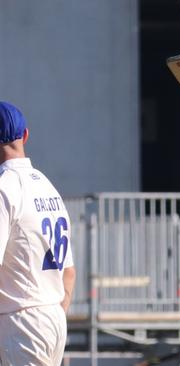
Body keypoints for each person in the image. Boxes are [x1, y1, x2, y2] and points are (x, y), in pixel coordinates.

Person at [0, 101, 76, 365]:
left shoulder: (4, 188)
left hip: (19, 322)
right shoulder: (47, 186)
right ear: (25, 135)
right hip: (53, 317)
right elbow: (69, 272)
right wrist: (52, 313)